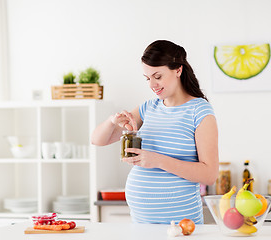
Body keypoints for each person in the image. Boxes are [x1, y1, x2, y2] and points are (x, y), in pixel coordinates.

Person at [91, 40, 219, 224]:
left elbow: (210, 174)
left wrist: (157, 160)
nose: (152, 84)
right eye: (147, 78)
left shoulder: (199, 112)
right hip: (142, 224)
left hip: (181, 226)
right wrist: (112, 122)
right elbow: (97, 140)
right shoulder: (148, 108)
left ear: (178, 70)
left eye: (157, 76)